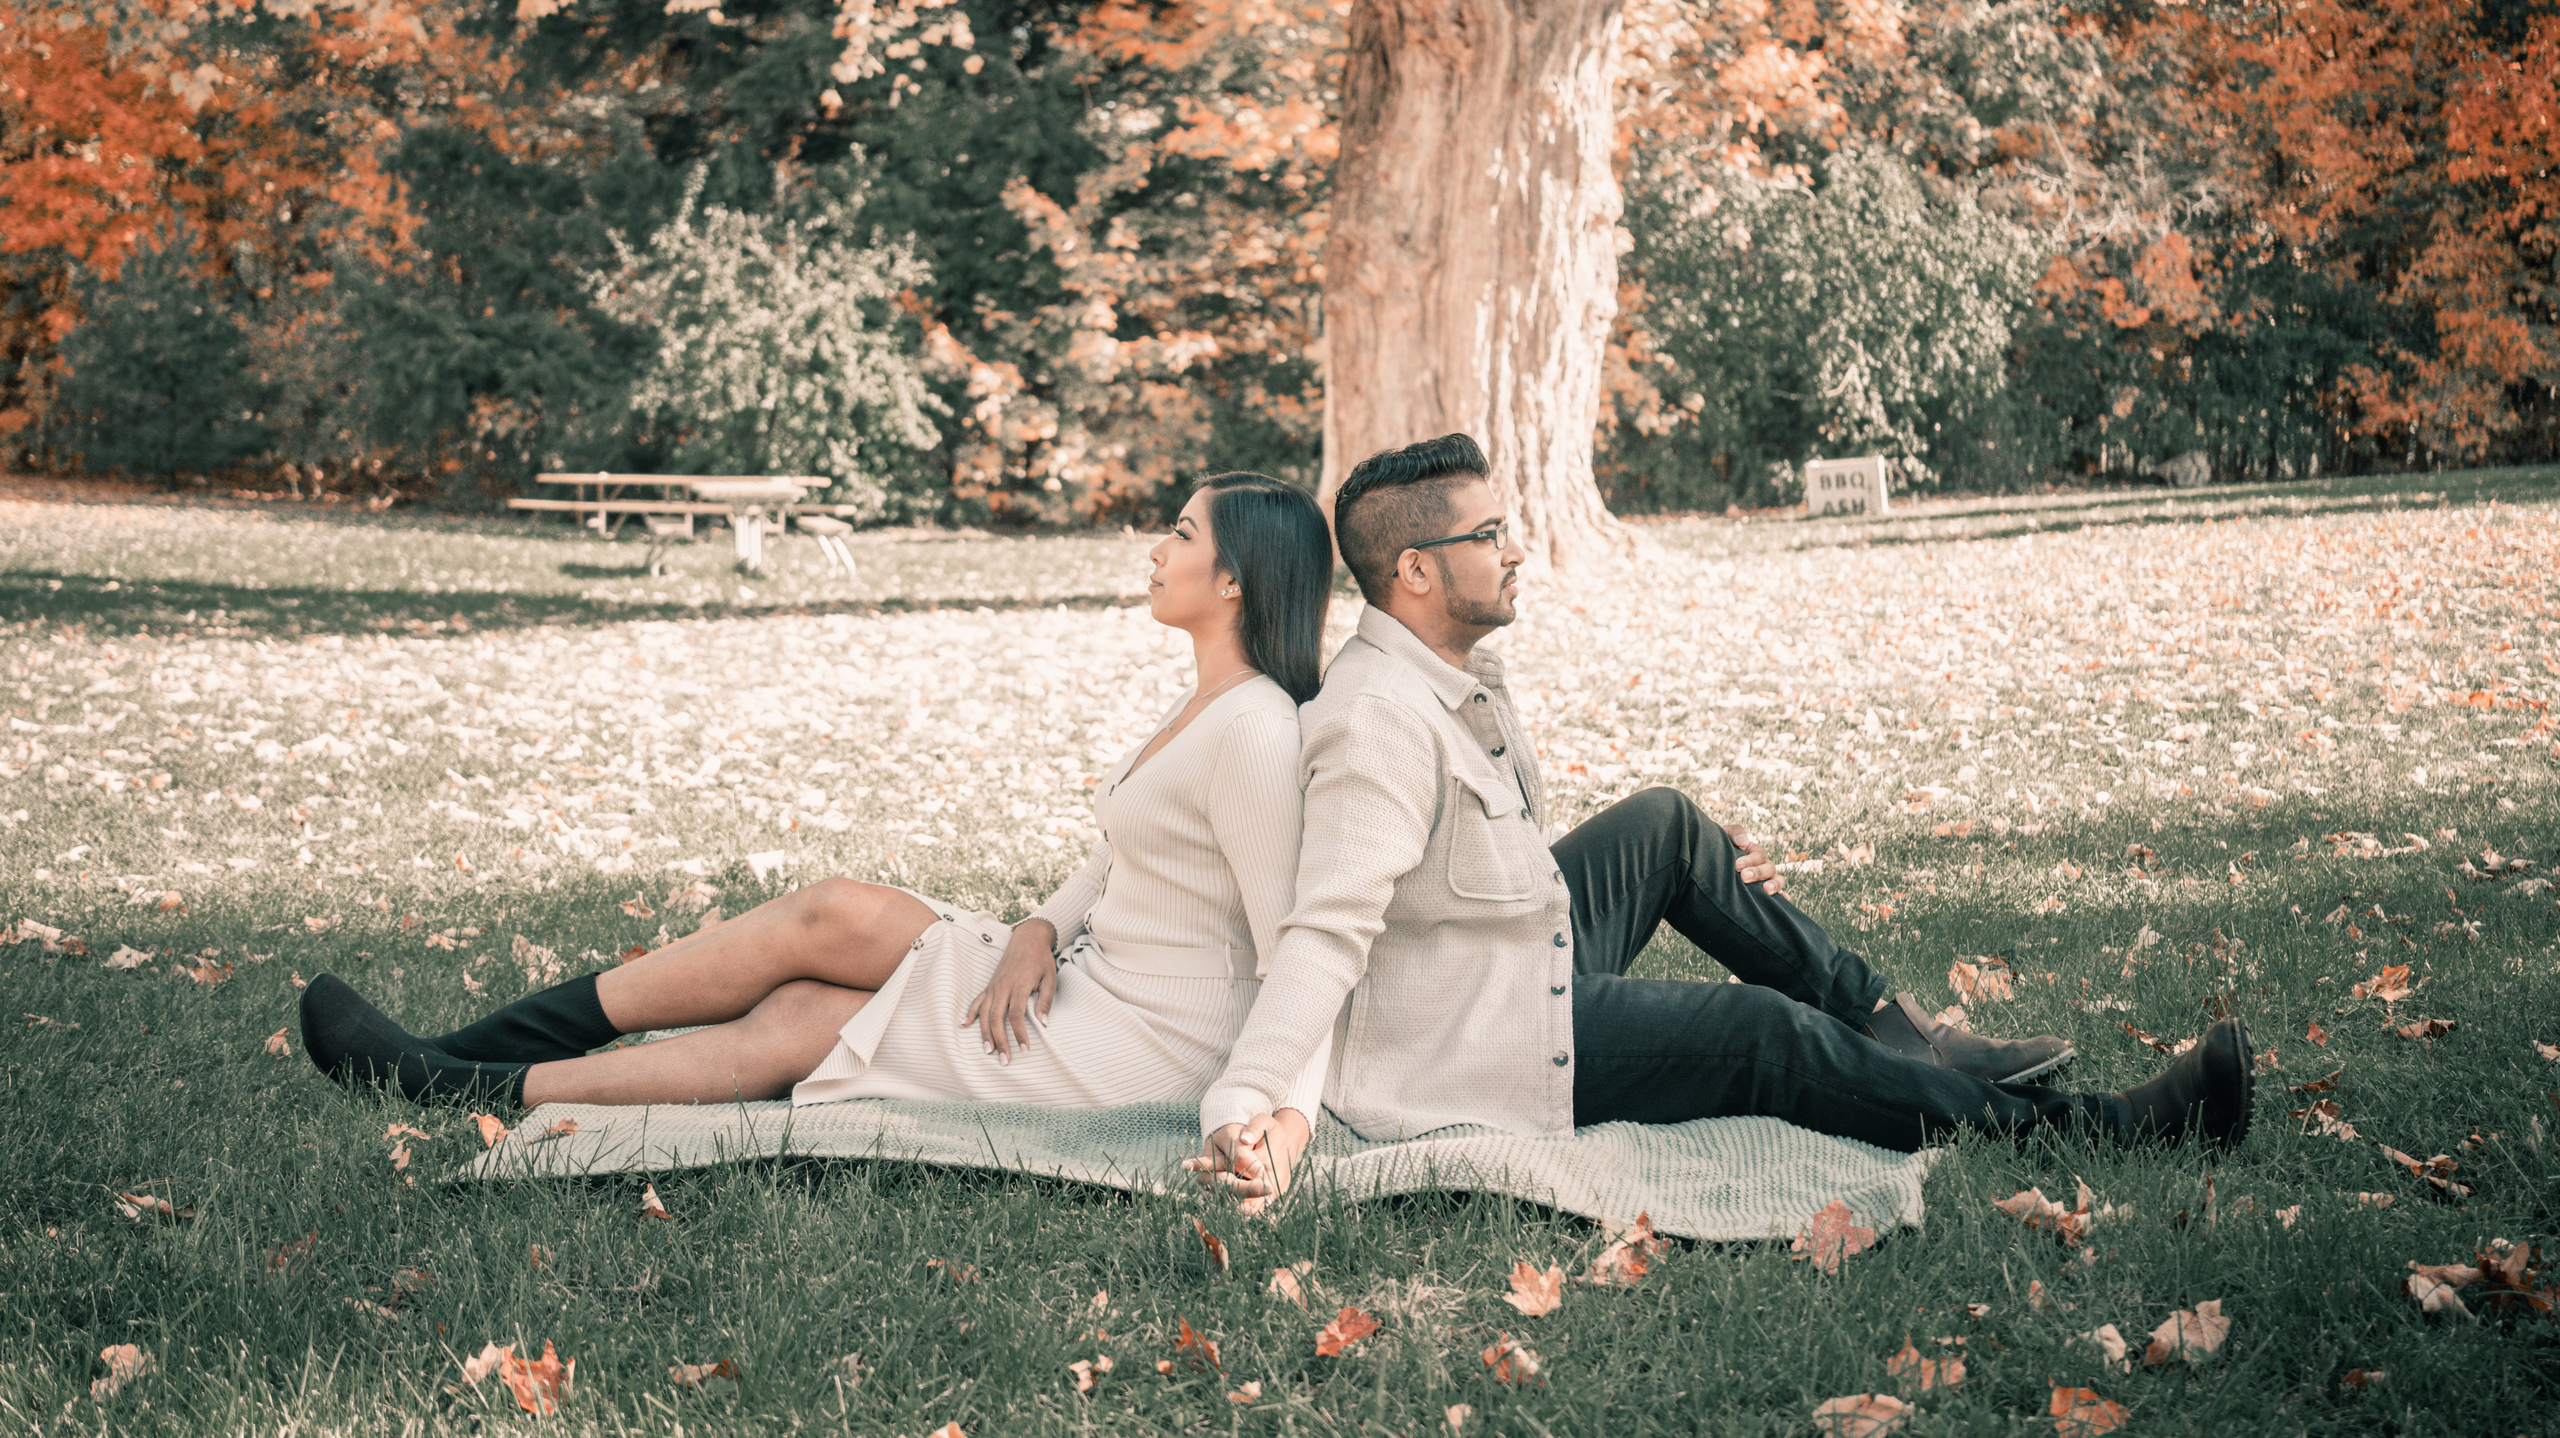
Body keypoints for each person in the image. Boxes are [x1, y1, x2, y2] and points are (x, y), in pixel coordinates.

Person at [1188, 435, 2254, 1209]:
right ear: (1414, 571)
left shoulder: (1448, 671)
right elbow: (1324, 933)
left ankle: (1911, 1038)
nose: (1513, 551)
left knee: (1664, 824)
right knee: (1759, 1037)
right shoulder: (1373, 721)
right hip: (1477, 1041)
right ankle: (2109, 1130)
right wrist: (1250, 1097)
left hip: (1508, 953)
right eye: (1488, 535)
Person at [299, 471, 1336, 1140]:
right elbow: (1123, 859)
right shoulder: (1208, 701)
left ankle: (456, 1079)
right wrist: (1031, 927)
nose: (1155, 548)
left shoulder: (1253, 729)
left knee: (818, 968)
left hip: (1143, 1037)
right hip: (1080, 977)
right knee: (814, 978)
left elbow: (1300, 944)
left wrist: (1270, 1116)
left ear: (1237, 578)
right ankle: (460, 1069)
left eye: (1180, 533)